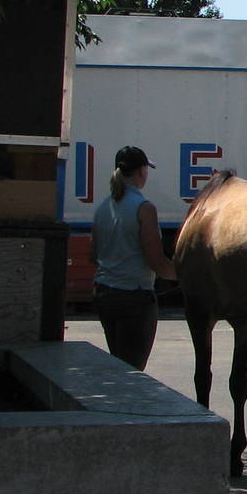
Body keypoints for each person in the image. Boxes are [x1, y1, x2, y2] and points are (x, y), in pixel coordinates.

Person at [90, 145, 176, 369]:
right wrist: (183, 276)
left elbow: (93, 255)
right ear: (141, 172)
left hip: (104, 294)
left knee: (118, 363)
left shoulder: (102, 208)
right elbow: (156, 261)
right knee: (132, 372)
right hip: (134, 298)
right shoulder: (144, 209)